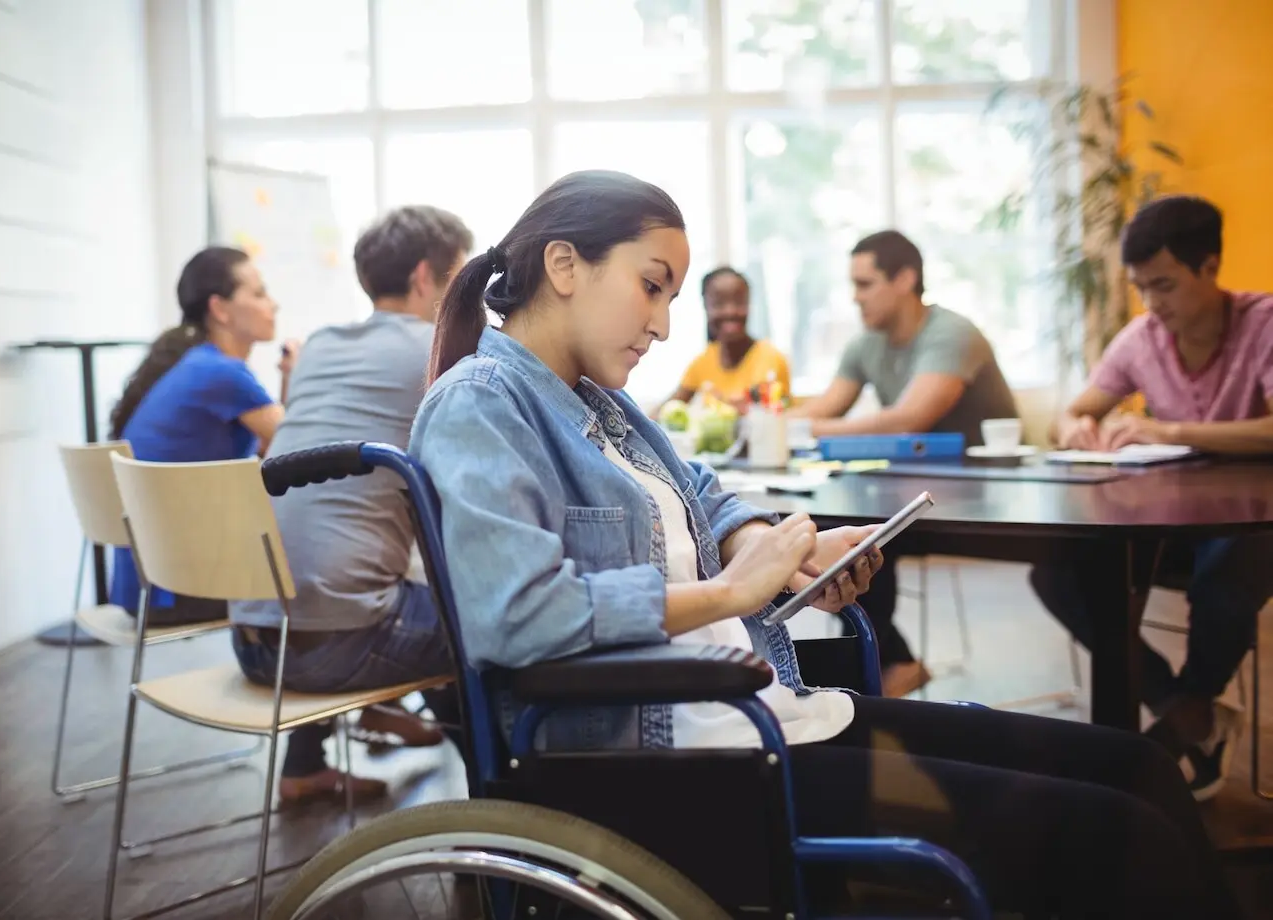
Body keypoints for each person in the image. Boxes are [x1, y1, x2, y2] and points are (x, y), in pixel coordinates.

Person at [406, 169, 1239, 919]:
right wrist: (733, 594)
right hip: (680, 762)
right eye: (652, 288)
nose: (663, 325)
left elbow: (703, 495)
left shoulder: (601, 406)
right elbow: (515, 617)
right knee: (1121, 832)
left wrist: (782, 550)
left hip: (754, 721)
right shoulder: (481, 403)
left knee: (1137, 769)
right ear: (563, 267)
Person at [230, 206, 475, 806]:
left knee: (341, 569)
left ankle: (305, 765)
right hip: (335, 649)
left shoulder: (318, 345)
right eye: (463, 277)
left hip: (254, 640)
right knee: (491, 619)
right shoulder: (442, 347)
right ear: (426, 277)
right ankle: (500, 799)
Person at [1031, 194, 1273, 801]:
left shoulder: (1263, 323)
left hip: (1249, 525)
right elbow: (1075, 410)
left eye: (1164, 285)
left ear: (1210, 266)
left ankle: (1187, 710)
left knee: (1230, 565)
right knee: (1057, 572)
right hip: (1172, 522)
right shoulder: (1143, 336)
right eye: (1141, 288)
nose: (1152, 303)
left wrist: (1170, 431)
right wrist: (1076, 429)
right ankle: (1188, 713)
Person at [796, 230, 1019, 698]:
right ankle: (886, 664)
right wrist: (766, 423)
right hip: (909, 493)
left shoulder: (951, 334)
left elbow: (909, 419)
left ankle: (881, 667)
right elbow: (824, 409)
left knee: (858, 532)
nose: (855, 298)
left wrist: (807, 430)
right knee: (842, 530)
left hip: (986, 500)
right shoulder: (866, 344)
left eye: (865, 284)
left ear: (905, 279)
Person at [108, 246, 297, 626]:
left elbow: (276, 446)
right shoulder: (221, 374)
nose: (273, 305)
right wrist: (296, 373)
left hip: (148, 587)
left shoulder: (200, 365)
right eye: (259, 294)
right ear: (220, 309)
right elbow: (300, 445)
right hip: (178, 590)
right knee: (324, 571)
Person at [662, 267, 790, 410]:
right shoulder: (703, 362)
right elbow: (665, 409)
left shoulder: (770, 358)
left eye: (739, 302)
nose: (730, 311)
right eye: (719, 303)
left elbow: (766, 410)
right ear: (706, 306)